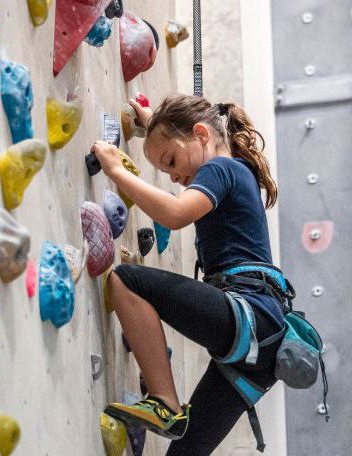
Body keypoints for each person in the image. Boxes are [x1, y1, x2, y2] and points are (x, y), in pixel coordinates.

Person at [92, 94, 285, 455]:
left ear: (200, 134)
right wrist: (155, 126)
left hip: (250, 317)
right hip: (263, 348)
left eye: (171, 163)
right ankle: (168, 409)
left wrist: (116, 171)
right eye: (167, 172)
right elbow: (186, 142)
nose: (176, 177)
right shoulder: (231, 167)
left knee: (126, 280)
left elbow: (177, 214)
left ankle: (164, 401)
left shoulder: (220, 169)